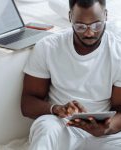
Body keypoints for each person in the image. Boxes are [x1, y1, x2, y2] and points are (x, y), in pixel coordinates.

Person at [21, 0, 121, 149]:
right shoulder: (48, 47)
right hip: (61, 124)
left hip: (104, 132)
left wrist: (107, 127)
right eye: (80, 26)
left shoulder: (117, 53)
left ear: (106, 15)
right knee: (46, 128)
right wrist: (56, 109)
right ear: (70, 17)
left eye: (97, 25)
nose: (89, 33)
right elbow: (27, 104)